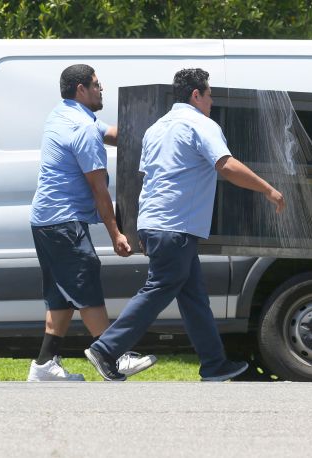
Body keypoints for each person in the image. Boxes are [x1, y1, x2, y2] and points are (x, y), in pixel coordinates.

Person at [85, 68, 286, 381]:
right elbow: (226, 166)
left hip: (155, 223)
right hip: (174, 226)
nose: (211, 102)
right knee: (160, 288)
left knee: (193, 298)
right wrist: (268, 189)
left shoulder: (156, 128)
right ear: (196, 95)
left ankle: (214, 364)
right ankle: (107, 349)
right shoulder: (200, 125)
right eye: (209, 95)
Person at [28, 64, 156, 381]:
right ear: (81, 89)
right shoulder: (82, 130)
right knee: (85, 281)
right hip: (63, 221)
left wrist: (154, 135)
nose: (102, 90)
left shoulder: (65, 115)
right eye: (97, 85)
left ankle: (44, 365)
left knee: (64, 294)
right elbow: (99, 191)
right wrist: (116, 235)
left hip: (46, 220)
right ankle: (113, 354)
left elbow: (114, 134)